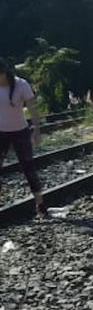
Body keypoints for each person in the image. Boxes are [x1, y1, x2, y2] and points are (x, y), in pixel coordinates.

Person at [0, 59, 48, 217]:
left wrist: (37, 130)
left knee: (28, 168)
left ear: (5, 72)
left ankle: (40, 205)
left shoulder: (21, 85)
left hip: (20, 132)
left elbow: (33, 108)